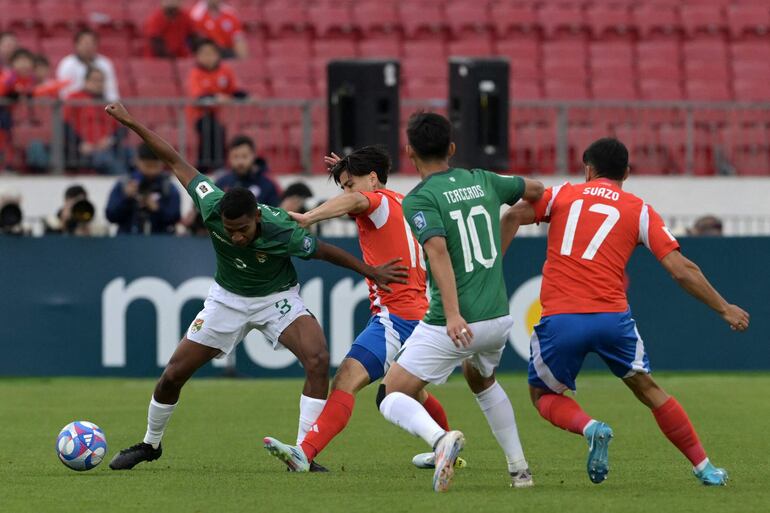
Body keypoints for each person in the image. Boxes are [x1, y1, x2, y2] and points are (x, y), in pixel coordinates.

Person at [103, 102, 408, 472]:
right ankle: (151, 445)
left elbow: (324, 251)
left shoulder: (278, 226)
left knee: (317, 359)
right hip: (227, 300)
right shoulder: (212, 203)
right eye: (230, 230)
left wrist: (369, 270)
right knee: (173, 374)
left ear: (256, 219)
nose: (237, 236)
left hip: (277, 298)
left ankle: (302, 454)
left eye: (243, 230)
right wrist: (132, 121)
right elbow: (173, 159)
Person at [501, 138, 750, 486]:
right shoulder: (639, 209)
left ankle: (591, 428)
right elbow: (681, 269)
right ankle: (705, 467)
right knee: (648, 389)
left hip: (562, 318)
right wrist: (724, 308)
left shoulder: (562, 195)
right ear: (627, 174)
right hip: (612, 319)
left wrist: (490, 267)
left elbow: (512, 214)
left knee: (542, 395)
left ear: (588, 169)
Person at [262, 146, 458, 472]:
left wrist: (310, 216)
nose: (346, 192)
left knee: (345, 382)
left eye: (349, 183)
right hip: (421, 313)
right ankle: (448, 443)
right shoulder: (405, 202)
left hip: (395, 316)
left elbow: (359, 200)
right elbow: (359, 194)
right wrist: (347, 170)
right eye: (342, 186)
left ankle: (304, 453)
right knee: (411, 392)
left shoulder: (377, 201)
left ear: (372, 178)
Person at [376, 113, 544, 492]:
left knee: (389, 394)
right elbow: (534, 190)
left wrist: (452, 314)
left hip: (452, 322)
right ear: (451, 148)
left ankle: (440, 441)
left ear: (409, 152)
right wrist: (516, 217)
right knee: (480, 378)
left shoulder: (420, 199)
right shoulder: (483, 180)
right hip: (498, 318)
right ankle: (520, 470)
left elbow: (438, 253)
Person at [187, 39, 243, 171]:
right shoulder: (196, 73)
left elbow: (233, 90)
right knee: (210, 130)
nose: (208, 57)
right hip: (199, 115)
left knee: (219, 131)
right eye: (204, 54)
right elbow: (198, 96)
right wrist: (216, 97)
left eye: (211, 53)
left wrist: (246, 96)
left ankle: (219, 166)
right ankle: (205, 167)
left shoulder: (225, 71)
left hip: (219, 115)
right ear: (198, 56)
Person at [105, 143, 181, 234]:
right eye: (148, 166)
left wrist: (157, 209)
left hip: (160, 242)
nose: (151, 171)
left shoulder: (168, 187)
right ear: (137, 161)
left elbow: (175, 217)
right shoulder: (124, 184)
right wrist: (126, 198)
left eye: (155, 166)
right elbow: (111, 216)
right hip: (127, 241)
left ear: (162, 163)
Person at [63, 67, 126, 174]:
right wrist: (80, 143)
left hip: (108, 149)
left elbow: (122, 128)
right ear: (86, 81)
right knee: (108, 160)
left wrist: (109, 140)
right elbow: (64, 125)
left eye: (101, 81)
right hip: (84, 151)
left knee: (132, 155)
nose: (98, 84)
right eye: (95, 80)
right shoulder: (74, 98)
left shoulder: (108, 103)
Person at [56, 29, 120, 102]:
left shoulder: (105, 63)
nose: (88, 46)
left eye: (92, 43)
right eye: (85, 43)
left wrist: (113, 108)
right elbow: (64, 92)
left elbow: (111, 91)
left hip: (101, 105)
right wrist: (86, 90)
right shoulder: (67, 63)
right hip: (76, 105)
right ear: (76, 44)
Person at [214, 135, 279, 206]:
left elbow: (274, 213)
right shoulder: (221, 183)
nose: (240, 162)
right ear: (229, 157)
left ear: (253, 155)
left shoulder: (268, 185)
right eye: (235, 157)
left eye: (244, 156)